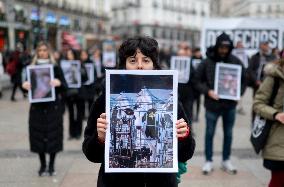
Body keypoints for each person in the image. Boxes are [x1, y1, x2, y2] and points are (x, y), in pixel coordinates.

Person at [82, 36, 195, 187]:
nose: (140, 66)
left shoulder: (171, 100)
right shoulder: (105, 101)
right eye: (133, 61)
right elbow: (91, 154)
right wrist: (100, 138)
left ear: (154, 65)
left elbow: (186, 153)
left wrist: (183, 137)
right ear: (124, 65)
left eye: (146, 60)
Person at [193, 33, 246, 175]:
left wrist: (238, 94)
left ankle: (226, 160)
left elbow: (244, 80)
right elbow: (196, 80)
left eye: (226, 47)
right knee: (209, 133)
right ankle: (208, 160)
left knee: (228, 134)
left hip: (230, 105)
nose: (224, 50)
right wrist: (208, 91)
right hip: (212, 105)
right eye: (221, 47)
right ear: (217, 46)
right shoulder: (207, 61)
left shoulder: (235, 61)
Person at [22, 41, 67, 176]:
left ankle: (51, 164)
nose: (42, 52)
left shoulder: (55, 67)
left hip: (53, 108)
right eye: (39, 50)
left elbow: (65, 86)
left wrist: (59, 83)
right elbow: (25, 87)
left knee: (54, 135)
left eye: (44, 50)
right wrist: (24, 86)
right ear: (37, 52)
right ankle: (42, 165)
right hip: (37, 108)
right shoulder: (31, 67)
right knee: (38, 136)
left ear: (49, 52)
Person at [253, 50, 284, 187]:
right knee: (278, 180)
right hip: (277, 141)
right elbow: (258, 103)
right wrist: (276, 114)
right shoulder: (274, 77)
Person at [64, 49, 88, 140]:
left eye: (71, 54)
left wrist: (80, 72)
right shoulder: (65, 65)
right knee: (71, 113)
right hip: (69, 93)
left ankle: (78, 133)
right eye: (68, 54)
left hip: (79, 93)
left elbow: (86, 78)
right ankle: (71, 133)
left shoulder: (80, 64)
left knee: (79, 114)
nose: (69, 56)